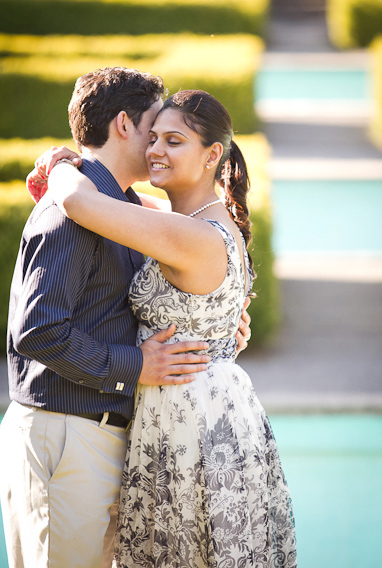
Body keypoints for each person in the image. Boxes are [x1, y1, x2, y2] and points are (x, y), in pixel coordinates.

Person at [39, 87, 297, 567]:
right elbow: (125, 205)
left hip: (188, 417)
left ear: (211, 155)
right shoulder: (189, 221)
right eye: (153, 137)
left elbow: (78, 203)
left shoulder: (191, 234)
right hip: (198, 402)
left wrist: (57, 165)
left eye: (174, 141)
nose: (155, 150)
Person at [0, 67, 219, 568]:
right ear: (124, 124)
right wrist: (135, 366)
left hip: (97, 436)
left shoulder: (114, 208)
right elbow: (37, 332)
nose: (158, 145)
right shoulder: (69, 213)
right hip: (64, 434)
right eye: (153, 129)